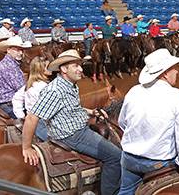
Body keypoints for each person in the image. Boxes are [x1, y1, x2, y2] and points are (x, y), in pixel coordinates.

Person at [21, 49, 122, 195]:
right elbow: (32, 117)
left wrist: (90, 111)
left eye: (80, 65)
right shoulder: (54, 91)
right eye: (75, 65)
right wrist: (27, 147)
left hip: (78, 128)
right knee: (115, 157)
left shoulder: (70, 84)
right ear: (63, 69)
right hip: (74, 136)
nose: (81, 69)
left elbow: (71, 107)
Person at [118, 49, 179, 194]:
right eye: (174, 68)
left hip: (129, 159)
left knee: (125, 190)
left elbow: (122, 123)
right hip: (158, 163)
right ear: (165, 73)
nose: (177, 71)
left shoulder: (133, 91)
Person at [12, 57, 51, 141]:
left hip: (34, 121)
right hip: (42, 123)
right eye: (48, 66)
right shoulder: (43, 87)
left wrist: (21, 115)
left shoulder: (30, 84)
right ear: (40, 69)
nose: (52, 68)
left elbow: (16, 98)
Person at [0, 36, 32, 119]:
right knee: (36, 121)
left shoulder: (10, 63)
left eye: (21, 50)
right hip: (9, 103)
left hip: (9, 101)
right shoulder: (9, 66)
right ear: (8, 50)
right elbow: (21, 88)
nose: (20, 53)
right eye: (17, 50)